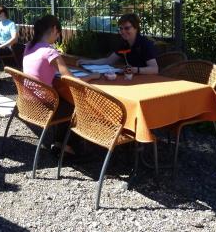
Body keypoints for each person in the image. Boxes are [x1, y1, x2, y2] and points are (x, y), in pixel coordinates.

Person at [22, 15, 98, 157]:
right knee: (78, 105)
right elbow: (72, 80)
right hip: (45, 106)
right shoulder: (49, 52)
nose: (57, 38)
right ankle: (67, 147)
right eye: (58, 34)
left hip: (29, 102)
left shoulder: (29, 47)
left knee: (65, 99)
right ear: (54, 29)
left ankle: (58, 143)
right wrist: (93, 76)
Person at [78, 13, 159, 75]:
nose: (123, 31)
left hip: (147, 80)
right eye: (121, 28)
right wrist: (88, 62)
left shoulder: (144, 43)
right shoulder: (124, 43)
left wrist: (135, 70)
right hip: (131, 78)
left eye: (127, 28)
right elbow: (109, 60)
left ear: (136, 28)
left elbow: (155, 69)